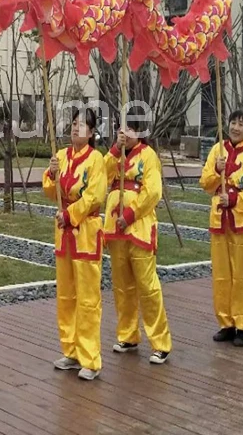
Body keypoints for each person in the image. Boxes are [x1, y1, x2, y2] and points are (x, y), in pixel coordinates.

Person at [42, 107, 108, 380]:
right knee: (66, 295)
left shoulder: (96, 160)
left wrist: (69, 215)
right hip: (64, 232)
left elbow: (95, 196)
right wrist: (51, 173)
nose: (76, 128)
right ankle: (71, 349)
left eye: (83, 125)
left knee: (88, 297)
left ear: (92, 133)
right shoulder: (61, 156)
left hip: (85, 231)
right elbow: (50, 191)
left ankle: (90, 357)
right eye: (74, 123)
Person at [103, 116, 172, 364]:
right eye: (122, 128)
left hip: (139, 227)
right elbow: (101, 176)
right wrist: (114, 150)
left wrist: (130, 215)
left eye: (131, 128)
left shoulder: (148, 155)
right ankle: (128, 334)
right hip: (115, 228)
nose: (125, 132)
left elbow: (153, 191)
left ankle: (160, 342)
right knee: (122, 286)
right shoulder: (115, 155)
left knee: (147, 286)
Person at [199, 107, 243, 346]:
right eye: (233, 122)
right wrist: (217, 171)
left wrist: (236, 200)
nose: (235, 128)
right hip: (219, 220)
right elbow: (205, 183)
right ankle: (226, 322)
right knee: (222, 274)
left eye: (241, 124)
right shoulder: (218, 150)